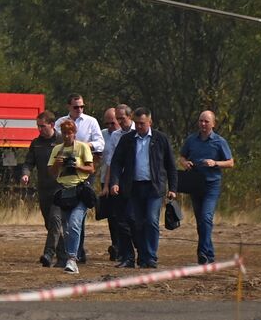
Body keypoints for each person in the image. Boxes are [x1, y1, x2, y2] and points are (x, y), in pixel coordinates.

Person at [108, 107, 177, 269]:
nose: (139, 127)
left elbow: (171, 165)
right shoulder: (127, 140)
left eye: (142, 123)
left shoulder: (161, 139)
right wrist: (115, 182)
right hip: (133, 187)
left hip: (154, 188)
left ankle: (150, 256)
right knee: (134, 221)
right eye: (137, 123)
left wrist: (173, 187)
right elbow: (117, 162)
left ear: (150, 122)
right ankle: (138, 256)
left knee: (152, 221)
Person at [179, 110, 235, 265]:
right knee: (201, 221)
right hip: (195, 183)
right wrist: (185, 163)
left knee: (206, 217)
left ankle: (203, 253)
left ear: (213, 124)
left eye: (206, 122)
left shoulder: (219, 141)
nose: (203, 124)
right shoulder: (191, 140)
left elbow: (230, 162)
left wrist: (215, 163)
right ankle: (208, 254)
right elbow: (182, 156)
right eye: (201, 121)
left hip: (212, 184)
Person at [54, 94, 104, 263]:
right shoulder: (60, 122)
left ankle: (75, 253)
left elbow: (100, 143)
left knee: (78, 215)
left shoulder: (91, 121)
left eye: (82, 106)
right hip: (65, 174)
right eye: (76, 107)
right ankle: (72, 252)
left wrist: (84, 147)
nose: (80, 110)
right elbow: (54, 142)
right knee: (68, 218)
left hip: (84, 171)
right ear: (69, 106)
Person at [48, 118, 96, 274]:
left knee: (75, 223)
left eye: (70, 133)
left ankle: (72, 259)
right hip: (64, 191)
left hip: (80, 191)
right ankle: (71, 256)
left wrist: (78, 165)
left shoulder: (82, 148)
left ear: (74, 133)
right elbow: (52, 173)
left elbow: (91, 169)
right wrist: (58, 164)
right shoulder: (57, 150)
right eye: (65, 133)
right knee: (67, 228)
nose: (67, 136)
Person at [20, 112, 64, 268]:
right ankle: (63, 257)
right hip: (43, 189)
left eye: (43, 126)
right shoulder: (36, 143)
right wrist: (26, 174)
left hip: (60, 189)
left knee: (55, 220)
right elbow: (28, 162)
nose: (40, 129)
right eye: (38, 126)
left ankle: (48, 254)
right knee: (50, 224)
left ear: (52, 125)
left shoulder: (62, 141)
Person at [103, 104, 135, 266]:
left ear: (130, 117)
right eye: (118, 119)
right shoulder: (116, 136)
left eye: (122, 118)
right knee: (120, 220)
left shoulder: (140, 132)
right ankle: (125, 254)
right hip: (120, 183)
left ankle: (144, 253)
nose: (120, 122)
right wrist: (108, 184)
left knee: (136, 220)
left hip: (138, 182)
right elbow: (111, 163)